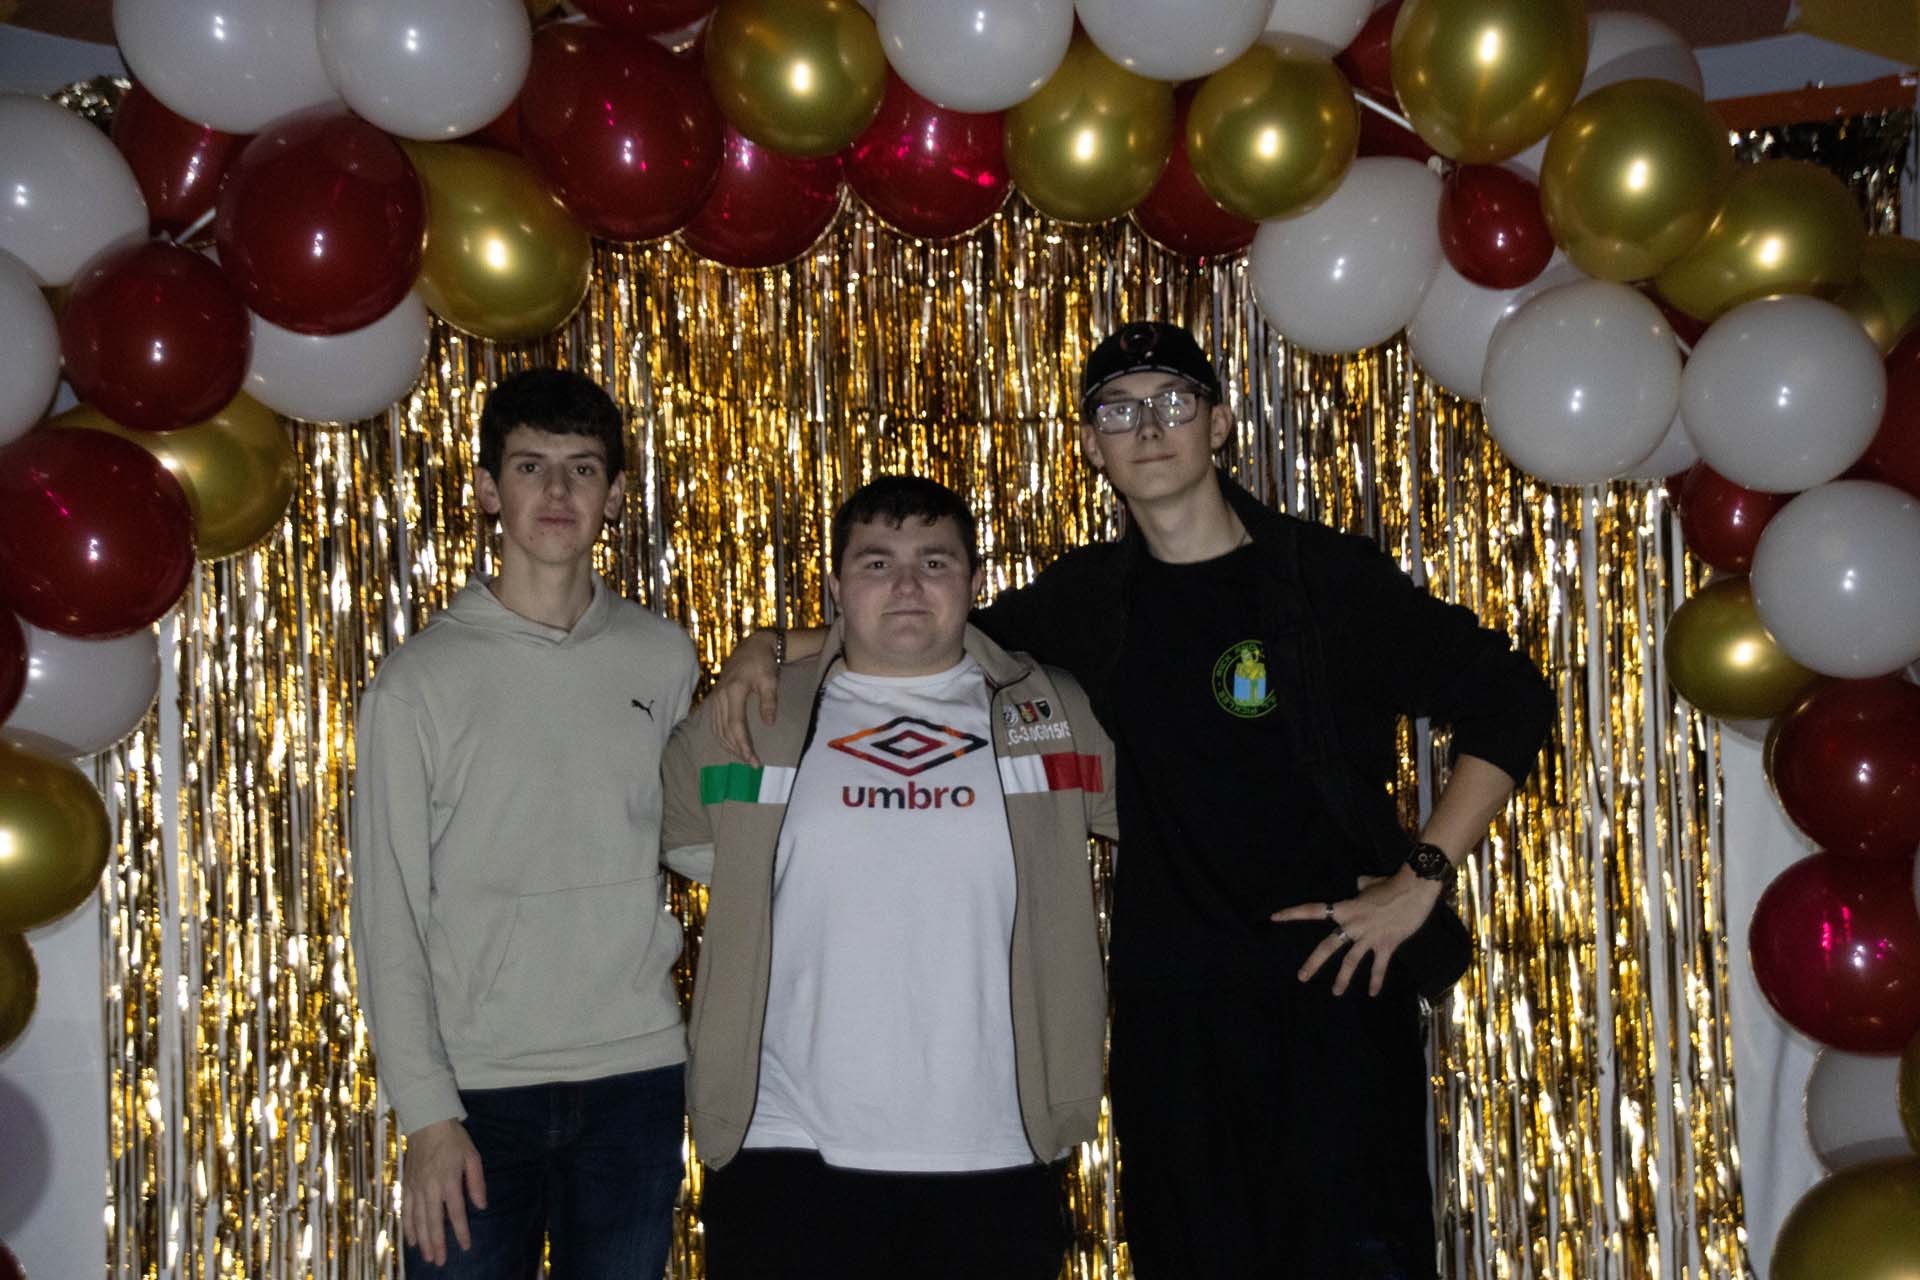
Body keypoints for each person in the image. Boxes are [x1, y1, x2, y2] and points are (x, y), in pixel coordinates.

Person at [706, 323, 1555, 1277]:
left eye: (1173, 403)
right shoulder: (1087, 600)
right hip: (1172, 1026)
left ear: (1218, 424)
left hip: (1332, 1006)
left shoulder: (1325, 580)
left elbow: (1511, 696)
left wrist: (1422, 877)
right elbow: (930, 632)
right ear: (1090, 446)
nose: (1148, 428)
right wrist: (766, 647)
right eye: (1118, 410)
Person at [661, 475, 1117, 1280]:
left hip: (999, 1144)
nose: (907, 585)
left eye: (935, 563)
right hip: (784, 1148)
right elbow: (674, 841)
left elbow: (1181, 829)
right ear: (836, 588)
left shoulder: (1054, 715)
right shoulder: (751, 716)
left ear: (974, 582)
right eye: (877, 564)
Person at [350, 368, 699, 1278]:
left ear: (614, 496)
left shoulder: (664, 657)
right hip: (476, 1093)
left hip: (634, 1079)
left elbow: (695, 835)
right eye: (530, 466)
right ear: (486, 490)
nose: (556, 491)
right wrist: (427, 1112)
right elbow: (387, 910)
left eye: (582, 469)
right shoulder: (417, 683)